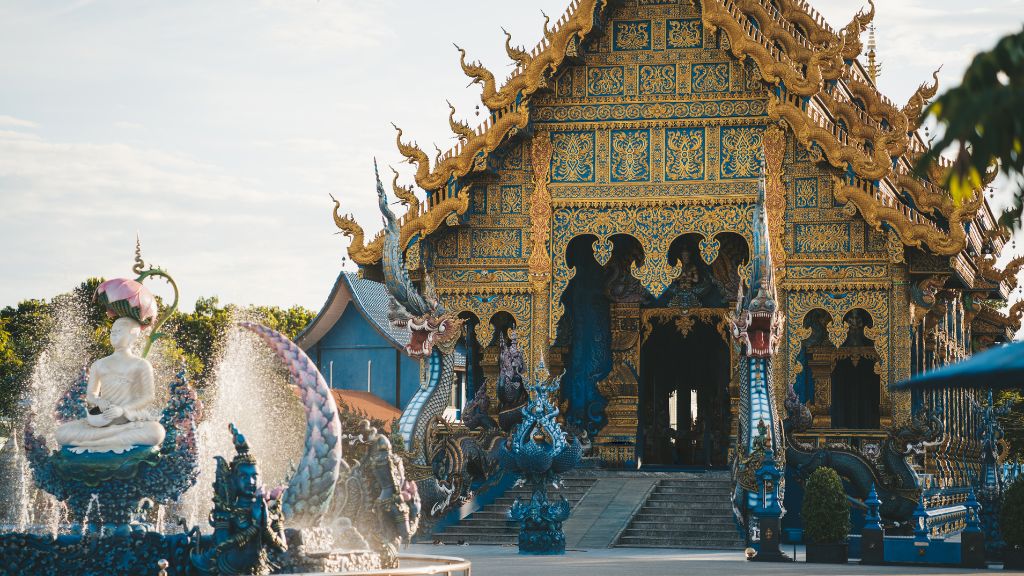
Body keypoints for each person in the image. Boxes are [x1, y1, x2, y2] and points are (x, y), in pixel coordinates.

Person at [55, 317, 165, 453]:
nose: (113, 334)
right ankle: (111, 439)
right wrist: (98, 401)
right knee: (61, 433)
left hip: (128, 422)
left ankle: (98, 442)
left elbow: (148, 396)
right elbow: (91, 395)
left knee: (156, 432)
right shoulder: (99, 364)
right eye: (112, 331)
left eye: (119, 331)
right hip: (102, 421)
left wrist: (123, 410)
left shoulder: (141, 365)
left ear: (132, 335)